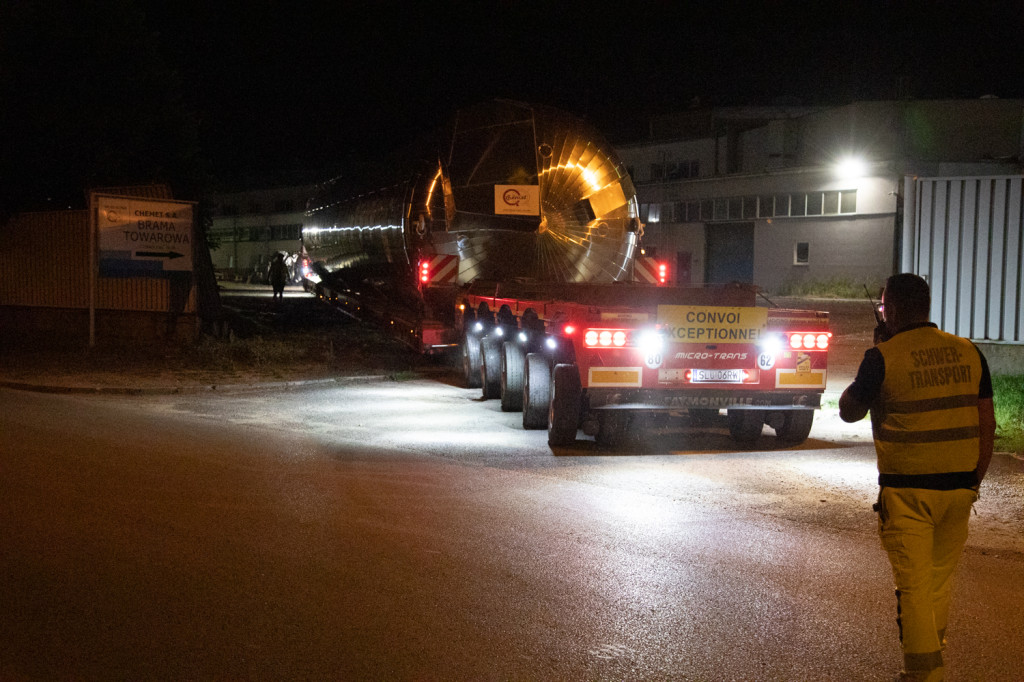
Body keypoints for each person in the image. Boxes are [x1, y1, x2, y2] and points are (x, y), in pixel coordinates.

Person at [839, 273, 996, 682]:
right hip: (960, 490)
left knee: (913, 587)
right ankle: (930, 660)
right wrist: (974, 481)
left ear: (889, 309)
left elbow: (848, 410)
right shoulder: (969, 352)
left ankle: (927, 675)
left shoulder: (884, 356)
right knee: (937, 584)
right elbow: (987, 423)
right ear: (926, 306)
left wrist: (876, 354)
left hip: (909, 495)